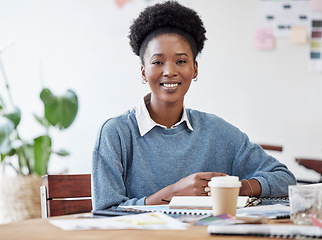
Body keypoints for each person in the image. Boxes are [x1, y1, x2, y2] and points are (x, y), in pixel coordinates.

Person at [92, 1, 296, 210]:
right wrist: (172, 194)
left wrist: (237, 187)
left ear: (195, 69)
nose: (169, 71)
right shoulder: (116, 133)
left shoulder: (217, 131)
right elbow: (105, 211)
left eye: (180, 61)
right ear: (143, 71)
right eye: (157, 62)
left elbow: (284, 178)